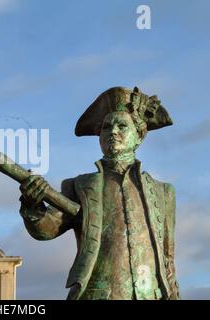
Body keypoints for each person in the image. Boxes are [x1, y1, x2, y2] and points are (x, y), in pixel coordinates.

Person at [19, 87, 180, 300]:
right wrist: (33, 205)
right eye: (106, 127)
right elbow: (46, 229)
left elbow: (168, 258)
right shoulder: (79, 186)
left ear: (139, 135)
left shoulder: (164, 192)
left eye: (122, 126)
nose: (113, 132)